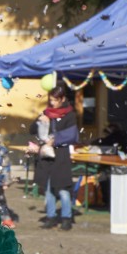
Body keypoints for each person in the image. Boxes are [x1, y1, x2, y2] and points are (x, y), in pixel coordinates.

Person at [33, 84, 79, 230]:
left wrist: (56, 139)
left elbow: (72, 135)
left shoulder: (70, 115)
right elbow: (32, 129)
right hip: (47, 156)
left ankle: (66, 218)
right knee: (48, 188)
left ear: (62, 99)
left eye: (55, 100)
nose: (52, 103)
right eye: (50, 100)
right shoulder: (46, 113)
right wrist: (40, 120)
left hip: (61, 155)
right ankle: (51, 217)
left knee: (63, 188)